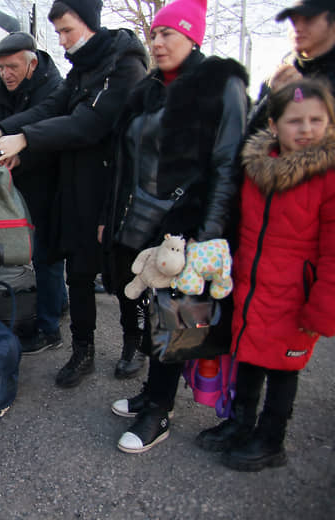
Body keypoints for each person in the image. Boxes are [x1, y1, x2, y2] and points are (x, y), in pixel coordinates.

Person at [101, 0, 249, 453]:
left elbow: (228, 165)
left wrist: (206, 236)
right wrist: (111, 219)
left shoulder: (221, 86)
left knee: (177, 317)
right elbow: (127, 161)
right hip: (141, 219)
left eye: (169, 34)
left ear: (194, 37)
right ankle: (152, 390)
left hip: (187, 226)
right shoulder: (149, 89)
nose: (157, 41)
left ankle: (159, 411)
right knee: (152, 309)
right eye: (156, 34)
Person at [0, 0, 148, 387]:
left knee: (124, 275)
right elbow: (52, 108)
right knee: (81, 273)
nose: (62, 40)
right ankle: (81, 350)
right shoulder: (81, 69)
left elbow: (89, 123)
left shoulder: (125, 66)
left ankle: (134, 343)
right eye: (58, 32)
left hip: (116, 191)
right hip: (78, 186)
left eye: (67, 30)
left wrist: (24, 139)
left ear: (89, 24)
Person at [195, 79, 335, 471]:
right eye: (295, 121)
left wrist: (322, 310)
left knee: (284, 369)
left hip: (297, 297)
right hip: (253, 288)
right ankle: (240, 423)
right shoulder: (258, 168)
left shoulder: (328, 176)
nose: (306, 129)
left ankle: (271, 439)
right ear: (273, 126)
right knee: (250, 357)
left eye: (316, 120)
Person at [0, 31, 68, 354]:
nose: (5, 74)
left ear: (32, 63)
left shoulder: (54, 85)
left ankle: (49, 329)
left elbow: (51, 132)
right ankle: (58, 302)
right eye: (1, 68)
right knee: (24, 249)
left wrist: (20, 151)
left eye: (12, 67)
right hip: (12, 182)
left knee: (46, 254)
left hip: (48, 177)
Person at [248, 0, 335, 132]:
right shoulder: (279, 77)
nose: (297, 28)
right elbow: (248, 147)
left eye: (308, 19)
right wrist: (274, 100)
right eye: (293, 21)